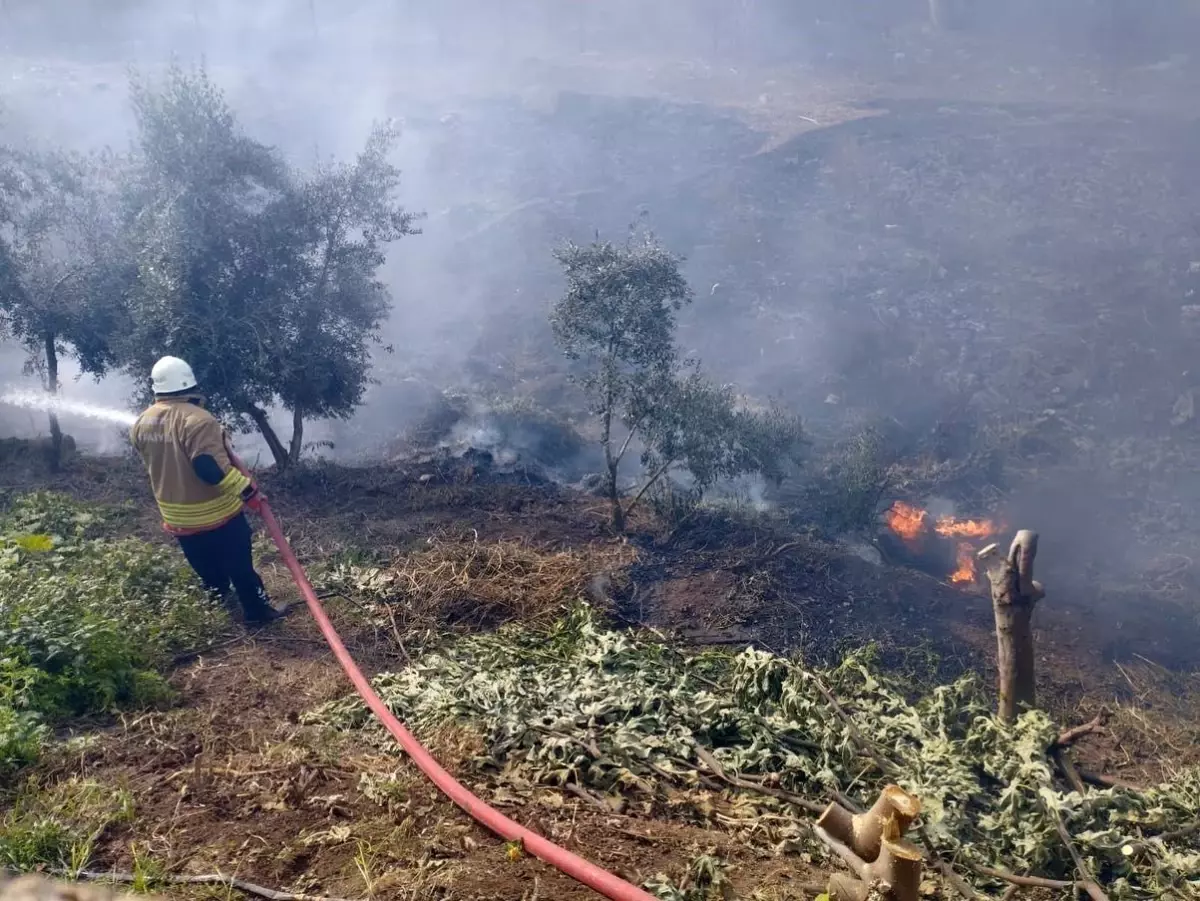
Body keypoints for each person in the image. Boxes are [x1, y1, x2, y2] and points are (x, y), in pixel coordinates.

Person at [130, 355, 284, 624]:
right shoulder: (199, 420)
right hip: (215, 514)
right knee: (239, 566)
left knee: (205, 565)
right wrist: (248, 492)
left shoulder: (143, 421)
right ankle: (257, 612)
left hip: (177, 517)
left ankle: (219, 603)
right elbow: (209, 468)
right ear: (189, 384)